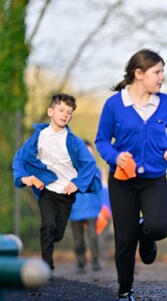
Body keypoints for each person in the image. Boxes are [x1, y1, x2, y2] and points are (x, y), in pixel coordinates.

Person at [95, 48, 167, 301]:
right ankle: (125, 291)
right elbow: (102, 140)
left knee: (159, 227)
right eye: (157, 72)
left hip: (155, 177)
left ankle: (146, 237)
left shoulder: (165, 103)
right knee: (124, 238)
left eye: (162, 72)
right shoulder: (114, 105)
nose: (162, 77)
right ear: (139, 73)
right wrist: (114, 157)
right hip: (122, 180)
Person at [12, 93, 101, 278]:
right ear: (50, 111)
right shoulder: (39, 137)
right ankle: (47, 267)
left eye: (69, 113)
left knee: (57, 233)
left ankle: (51, 243)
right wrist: (24, 177)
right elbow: (19, 158)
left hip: (66, 192)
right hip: (46, 190)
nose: (65, 115)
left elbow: (89, 164)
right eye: (61, 110)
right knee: (47, 226)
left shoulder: (74, 141)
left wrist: (77, 183)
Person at [69, 140, 105, 273]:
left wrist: (101, 208)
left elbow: (99, 190)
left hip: (92, 209)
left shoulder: (96, 170)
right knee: (78, 239)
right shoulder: (70, 169)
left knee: (93, 236)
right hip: (75, 209)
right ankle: (81, 262)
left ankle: (95, 260)